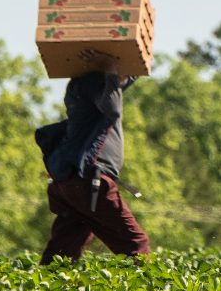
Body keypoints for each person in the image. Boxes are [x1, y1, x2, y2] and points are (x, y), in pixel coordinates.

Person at [38, 49, 151, 264]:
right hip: (91, 182)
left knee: (63, 250)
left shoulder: (78, 86)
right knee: (136, 244)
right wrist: (110, 68)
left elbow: (112, 92)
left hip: (68, 184)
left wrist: (131, 70)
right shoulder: (94, 83)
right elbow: (112, 107)